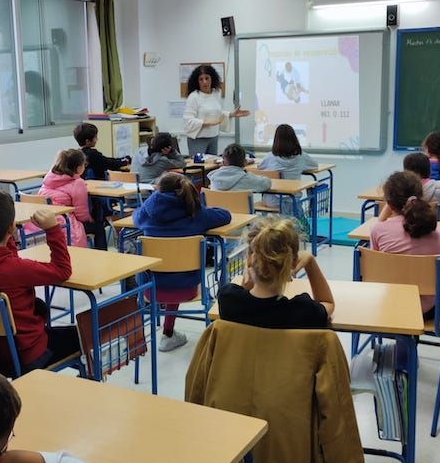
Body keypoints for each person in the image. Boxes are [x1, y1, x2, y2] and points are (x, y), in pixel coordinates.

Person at [0, 191, 80, 375]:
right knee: (87, 331)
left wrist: (8, 234)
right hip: (27, 355)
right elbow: (62, 271)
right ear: (11, 228)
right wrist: (53, 229)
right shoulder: (16, 268)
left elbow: (3, 256)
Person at [133, 173, 231, 351]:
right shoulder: (196, 214)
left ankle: (167, 333)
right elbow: (225, 216)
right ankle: (170, 333)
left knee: (168, 271)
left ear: (157, 191)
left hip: (150, 289)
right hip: (187, 288)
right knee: (179, 273)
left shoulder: (146, 214)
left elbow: (135, 217)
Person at [218, 216, 334, 329]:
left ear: (250, 260)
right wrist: (310, 262)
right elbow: (328, 303)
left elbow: (245, 300)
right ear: (292, 263)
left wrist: (247, 283)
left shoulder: (227, 299)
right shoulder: (304, 311)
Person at [370, 171, 440, 318]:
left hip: (387, 304)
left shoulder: (378, 230)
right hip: (426, 310)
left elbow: (375, 263)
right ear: (420, 198)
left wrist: (383, 215)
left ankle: (402, 339)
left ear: (388, 203)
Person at [182, 64, 249, 155]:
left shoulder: (216, 93)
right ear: (197, 81)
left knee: (212, 166)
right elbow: (188, 120)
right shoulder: (194, 97)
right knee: (199, 166)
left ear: (212, 78)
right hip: (198, 139)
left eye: (207, 78)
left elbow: (217, 113)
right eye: (201, 79)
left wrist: (231, 114)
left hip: (213, 136)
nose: (204, 82)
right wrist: (206, 122)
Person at [37, 149, 91, 248]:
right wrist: (90, 219)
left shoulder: (49, 178)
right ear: (79, 168)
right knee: (99, 228)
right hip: (64, 225)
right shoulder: (78, 183)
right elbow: (81, 214)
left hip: (43, 220)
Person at [378, 152, 440, 221]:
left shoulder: (399, 191)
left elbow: (381, 221)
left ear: (406, 171)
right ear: (429, 170)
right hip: (429, 228)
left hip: (401, 227)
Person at [257, 124, 318, 208]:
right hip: (293, 200)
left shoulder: (270, 157)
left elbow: (259, 167)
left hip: (272, 202)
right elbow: (315, 165)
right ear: (294, 139)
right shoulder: (301, 156)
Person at [207, 143, 272, 193]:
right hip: (241, 211)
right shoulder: (247, 179)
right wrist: (248, 173)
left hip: (218, 210)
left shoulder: (213, 178)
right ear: (245, 162)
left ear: (223, 163)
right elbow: (267, 183)